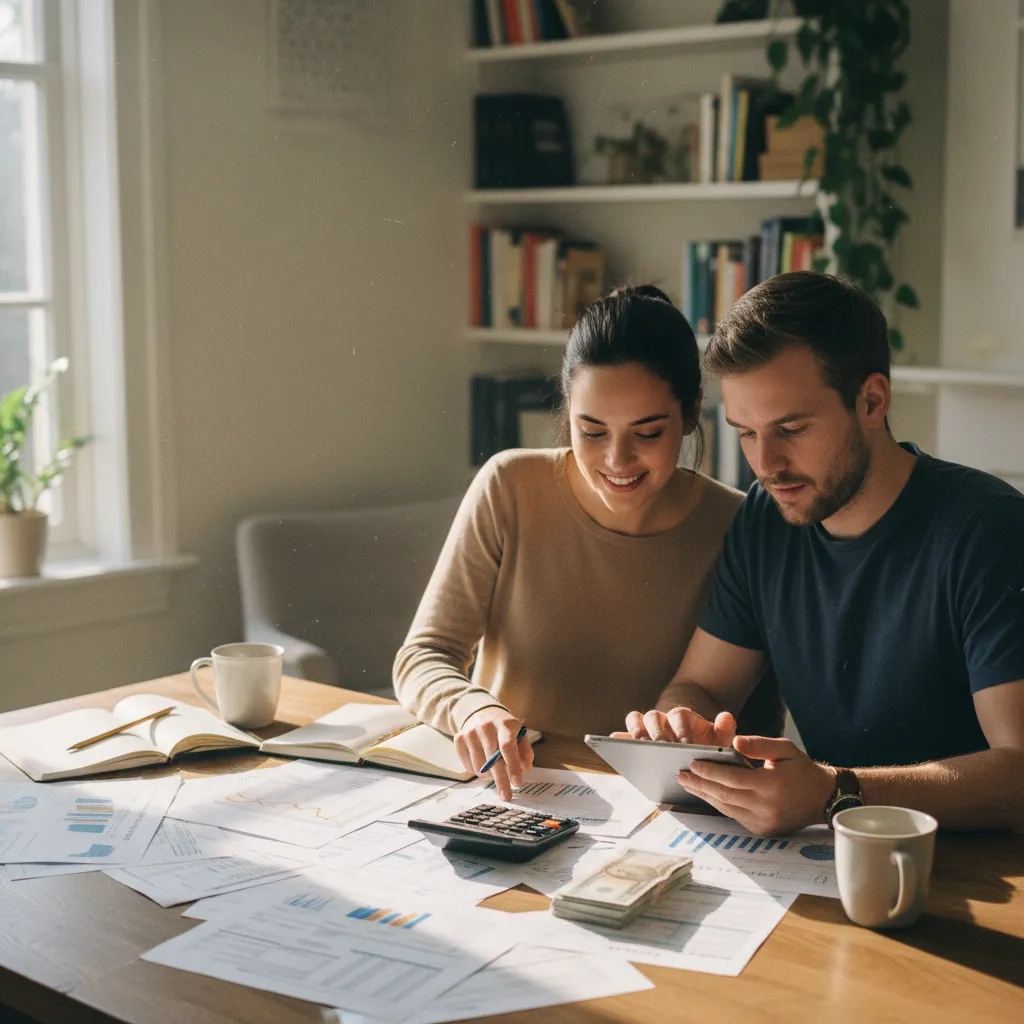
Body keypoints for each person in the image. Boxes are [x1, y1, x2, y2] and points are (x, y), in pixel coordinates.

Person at [621, 271, 1024, 835]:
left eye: (791, 428)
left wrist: (837, 791)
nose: (766, 464)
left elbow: (1020, 771)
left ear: (872, 400)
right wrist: (681, 724)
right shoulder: (766, 518)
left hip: (981, 870)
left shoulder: (989, 528)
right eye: (746, 432)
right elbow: (704, 686)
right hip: (833, 856)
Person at [393, 285, 780, 799]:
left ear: (690, 414)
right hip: (506, 789)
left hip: (652, 808)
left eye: (646, 434)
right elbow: (424, 654)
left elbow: (734, 705)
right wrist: (473, 707)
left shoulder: (738, 524)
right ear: (567, 408)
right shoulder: (510, 485)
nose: (617, 462)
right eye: (591, 431)